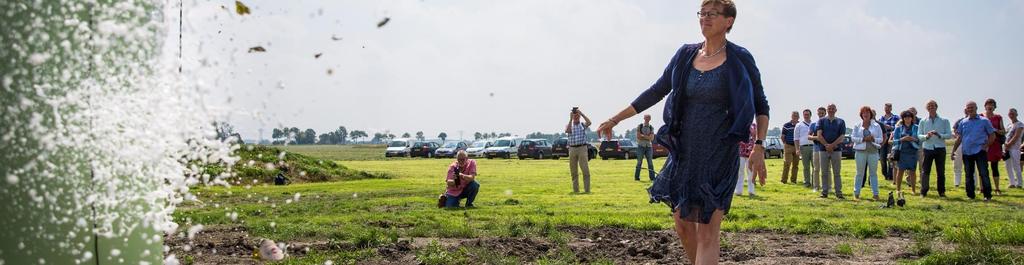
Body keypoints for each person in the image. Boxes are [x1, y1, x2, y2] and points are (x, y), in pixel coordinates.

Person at [595, 0, 770, 262]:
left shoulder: (739, 58)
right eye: (702, 13)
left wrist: (759, 146)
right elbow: (656, 90)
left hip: (718, 152)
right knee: (683, 225)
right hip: (684, 152)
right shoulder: (685, 54)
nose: (705, 18)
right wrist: (615, 119)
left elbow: (761, 104)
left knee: (708, 231)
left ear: (728, 21)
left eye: (712, 14)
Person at [952, 101, 995, 201]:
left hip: (980, 151)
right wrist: (954, 150)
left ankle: (987, 195)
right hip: (967, 152)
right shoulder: (963, 122)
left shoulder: (984, 121)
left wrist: (986, 145)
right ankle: (970, 195)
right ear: (966, 109)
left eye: (972, 107)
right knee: (968, 174)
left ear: (976, 108)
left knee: (983, 173)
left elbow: (992, 135)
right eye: (968, 108)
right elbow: (959, 137)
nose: (970, 109)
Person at [918, 100, 952, 197]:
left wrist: (939, 134)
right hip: (927, 148)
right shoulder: (923, 121)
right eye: (929, 106)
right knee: (925, 171)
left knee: (941, 171)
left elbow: (949, 135)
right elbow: (919, 135)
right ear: (926, 108)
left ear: (936, 107)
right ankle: (923, 191)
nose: (931, 107)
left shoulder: (944, 121)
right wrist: (926, 136)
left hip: (940, 148)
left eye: (933, 106)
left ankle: (941, 191)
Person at [852, 106, 882, 200]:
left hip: (873, 151)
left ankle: (875, 193)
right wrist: (863, 139)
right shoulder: (857, 125)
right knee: (859, 173)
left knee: (873, 173)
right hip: (860, 151)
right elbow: (853, 138)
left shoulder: (877, 126)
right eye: (864, 113)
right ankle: (856, 193)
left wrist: (873, 139)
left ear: (870, 114)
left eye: (867, 113)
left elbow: (880, 139)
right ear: (861, 115)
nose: (866, 114)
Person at [816, 104, 846, 199]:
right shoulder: (821, 121)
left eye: (833, 108)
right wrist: (826, 145)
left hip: (836, 150)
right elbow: (819, 135)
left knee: (837, 173)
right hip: (823, 150)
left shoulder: (841, 121)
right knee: (824, 172)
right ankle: (824, 192)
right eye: (829, 108)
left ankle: (839, 192)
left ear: (836, 110)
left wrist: (832, 146)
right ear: (827, 110)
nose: (831, 110)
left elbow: (841, 137)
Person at [892, 110, 921, 197]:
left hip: (912, 152)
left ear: (912, 118)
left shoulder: (916, 127)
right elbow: (894, 141)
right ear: (903, 118)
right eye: (905, 117)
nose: (907, 119)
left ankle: (913, 190)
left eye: (909, 117)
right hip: (902, 152)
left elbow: (919, 139)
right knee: (900, 171)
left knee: (912, 171)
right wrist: (903, 139)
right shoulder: (898, 128)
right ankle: (898, 189)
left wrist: (912, 139)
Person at [565, 107, 593, 193]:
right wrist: (570, 119)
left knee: (585, 169)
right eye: (574, 115)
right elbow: (567, 130)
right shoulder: (569, 125)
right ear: (572, 116)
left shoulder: (582, 125)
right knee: (573, 171)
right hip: (572, 149)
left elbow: (589, 122)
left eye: (577, 115)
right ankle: (576, 190)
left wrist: (582, 114)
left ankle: (587, 190)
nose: (576, 116)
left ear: (579, 116)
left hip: (582, 148)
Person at [982, 99, 1006, 195]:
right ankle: (982, 188)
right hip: (984, 144)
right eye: (988, 104)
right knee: (983, 167)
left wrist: (995, 129)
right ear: (985, 106)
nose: (990, 106)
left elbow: (1003, 131)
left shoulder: (998, 117)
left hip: (995, 144)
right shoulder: (980, 116)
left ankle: (997, 188)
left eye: (992, 105)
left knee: (994, 167)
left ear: (994, 107)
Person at [736, 123, 761, 197]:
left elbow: (756, 136)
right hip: (740, 152)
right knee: (740, 172)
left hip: (751, 153)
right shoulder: (740, 123)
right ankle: (738, 190)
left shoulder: (754, 125)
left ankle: (751, 190)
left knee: (750, 172)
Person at [879, 103, 900, 181]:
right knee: (882, 158)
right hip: (883, 139)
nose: (886, 109)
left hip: (891, 139)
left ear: (891, 108)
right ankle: (885, 174)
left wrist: (889, 127)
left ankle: (890, 175)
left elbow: (899, 127)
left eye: (888, 108)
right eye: (885, 108)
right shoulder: (881, 118)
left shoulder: (896, 117)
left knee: (890, 158)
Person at [794, 109, 815, 188]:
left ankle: (815, 183)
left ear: (810, 115)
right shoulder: (798, 125)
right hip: (803, 147)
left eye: (808, 114)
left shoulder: (814, 124)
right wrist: (797, 149)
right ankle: (807, 182)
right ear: (803, 115)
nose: (806, 116)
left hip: (814, 147)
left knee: (815, 166)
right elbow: (796, 138)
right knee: (806, 166)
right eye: (805, 114)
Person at [810, 107, 827, 193]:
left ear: (825, 113)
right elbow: (809, 136)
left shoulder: (829, 123)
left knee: (827, 169)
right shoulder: (813, 124)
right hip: (816, 149)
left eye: (822, 113)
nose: (820, 115)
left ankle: (829, 187)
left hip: (826, 149)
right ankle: (816, 187)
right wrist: (818, 137)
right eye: (819, 113)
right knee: (816, 169)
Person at [636, 114, 657, 181]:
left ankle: (652, 178)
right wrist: (647, 136)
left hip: (649, 147)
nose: (647, 119)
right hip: (640, 146)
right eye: (646, 118)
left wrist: (643, 136)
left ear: (650, 119)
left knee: (650, 163)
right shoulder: (640, 126)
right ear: (644, 118)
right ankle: (637, 177)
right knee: (639, 162)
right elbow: (638, 136)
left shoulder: (651, 127)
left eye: (648, 118)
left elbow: (651, 138)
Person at [1005, 108, 1023, 189]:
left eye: (1013, 113)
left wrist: (1009, 144)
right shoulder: (1008, 125)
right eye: (1010, 113)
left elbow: (1017, 136)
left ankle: (1019, 184)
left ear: (1016, 114)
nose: (1011, 114)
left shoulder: (1020, 124)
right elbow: (1005, 135)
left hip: (1015, 148)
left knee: (1016, 166)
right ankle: (1012, 183)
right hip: (1006, 148)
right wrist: (1005, 145)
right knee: (1008, 166)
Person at [781, 111, 800, 184]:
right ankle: (784, 180)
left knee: (796, 164)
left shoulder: (799, 125)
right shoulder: (786, 125)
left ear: (798, 117)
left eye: (796, 115)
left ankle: (793, 180)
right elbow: (782, 136)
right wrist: (785, 144)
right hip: (788, 146)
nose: (795, 117)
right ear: (791, 116)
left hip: (797, 146)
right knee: (787, 163)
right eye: (793, 115)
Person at [952, 110, 967, 188]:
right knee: (957, 164)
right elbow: (955, 130)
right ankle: (957, 182)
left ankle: (974, 183)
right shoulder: (959, 121)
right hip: (959, 144)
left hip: (970, 145)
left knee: (972, 166)